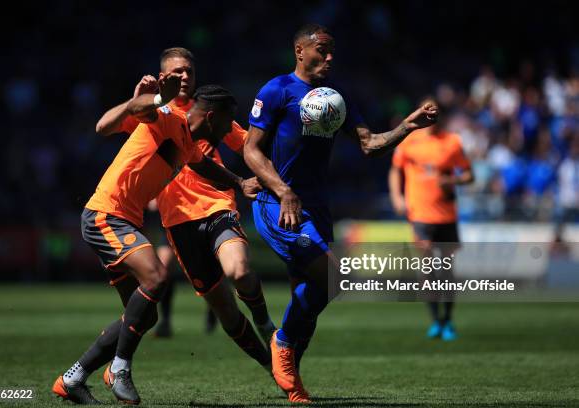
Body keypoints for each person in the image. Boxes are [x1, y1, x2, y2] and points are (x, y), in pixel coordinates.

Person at [244, 23, 439, 403]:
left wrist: (407, 127)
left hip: (316, 207)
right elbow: (252, 150)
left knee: (313, 292)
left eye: (333, 50)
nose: (330, 56)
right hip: (278, 205)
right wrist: (282, 190)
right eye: (322, 49)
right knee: (331, 276)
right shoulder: (277, 90)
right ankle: (281, 345)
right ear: (300, 51)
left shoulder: (336, 97)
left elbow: (369, 144)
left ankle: (289, 374)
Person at [53, 76, 258, 405]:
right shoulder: (168, 119)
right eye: (225, 123)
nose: (225, 132)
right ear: (211, 117)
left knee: (145, 316)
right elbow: (130, 114)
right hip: (107, 214)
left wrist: (239, 182)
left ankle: (73, 378)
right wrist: (154, 98)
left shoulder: (188, 143)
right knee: (157, 276)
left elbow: (204, 166)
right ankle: (120, 368)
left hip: (123, 219)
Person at [95, 47, 276, 377]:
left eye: (189, 72)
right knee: (221, 309)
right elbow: (105, 126)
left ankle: (264, 322)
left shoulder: (209, 111)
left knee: (238, 271)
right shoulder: (154, 112)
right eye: (177, 72)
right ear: (163, 75)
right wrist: (141, 100)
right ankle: (271, 365)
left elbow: (248, 145)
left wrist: (267, 175)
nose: (184, 77)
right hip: (177, 222)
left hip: (216, 206)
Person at [389, 101, 473, 341]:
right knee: (427, 269)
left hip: (447, 214)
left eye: (435, 113)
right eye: (427, 112)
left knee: (446, 270)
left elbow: (469, 174)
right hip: (420, 215)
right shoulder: (410, 141)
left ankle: (448, 320)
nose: (431, 117)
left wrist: (453, 181)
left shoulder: (452, 142)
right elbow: (396, 170)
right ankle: (435, 320)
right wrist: (397, 197)